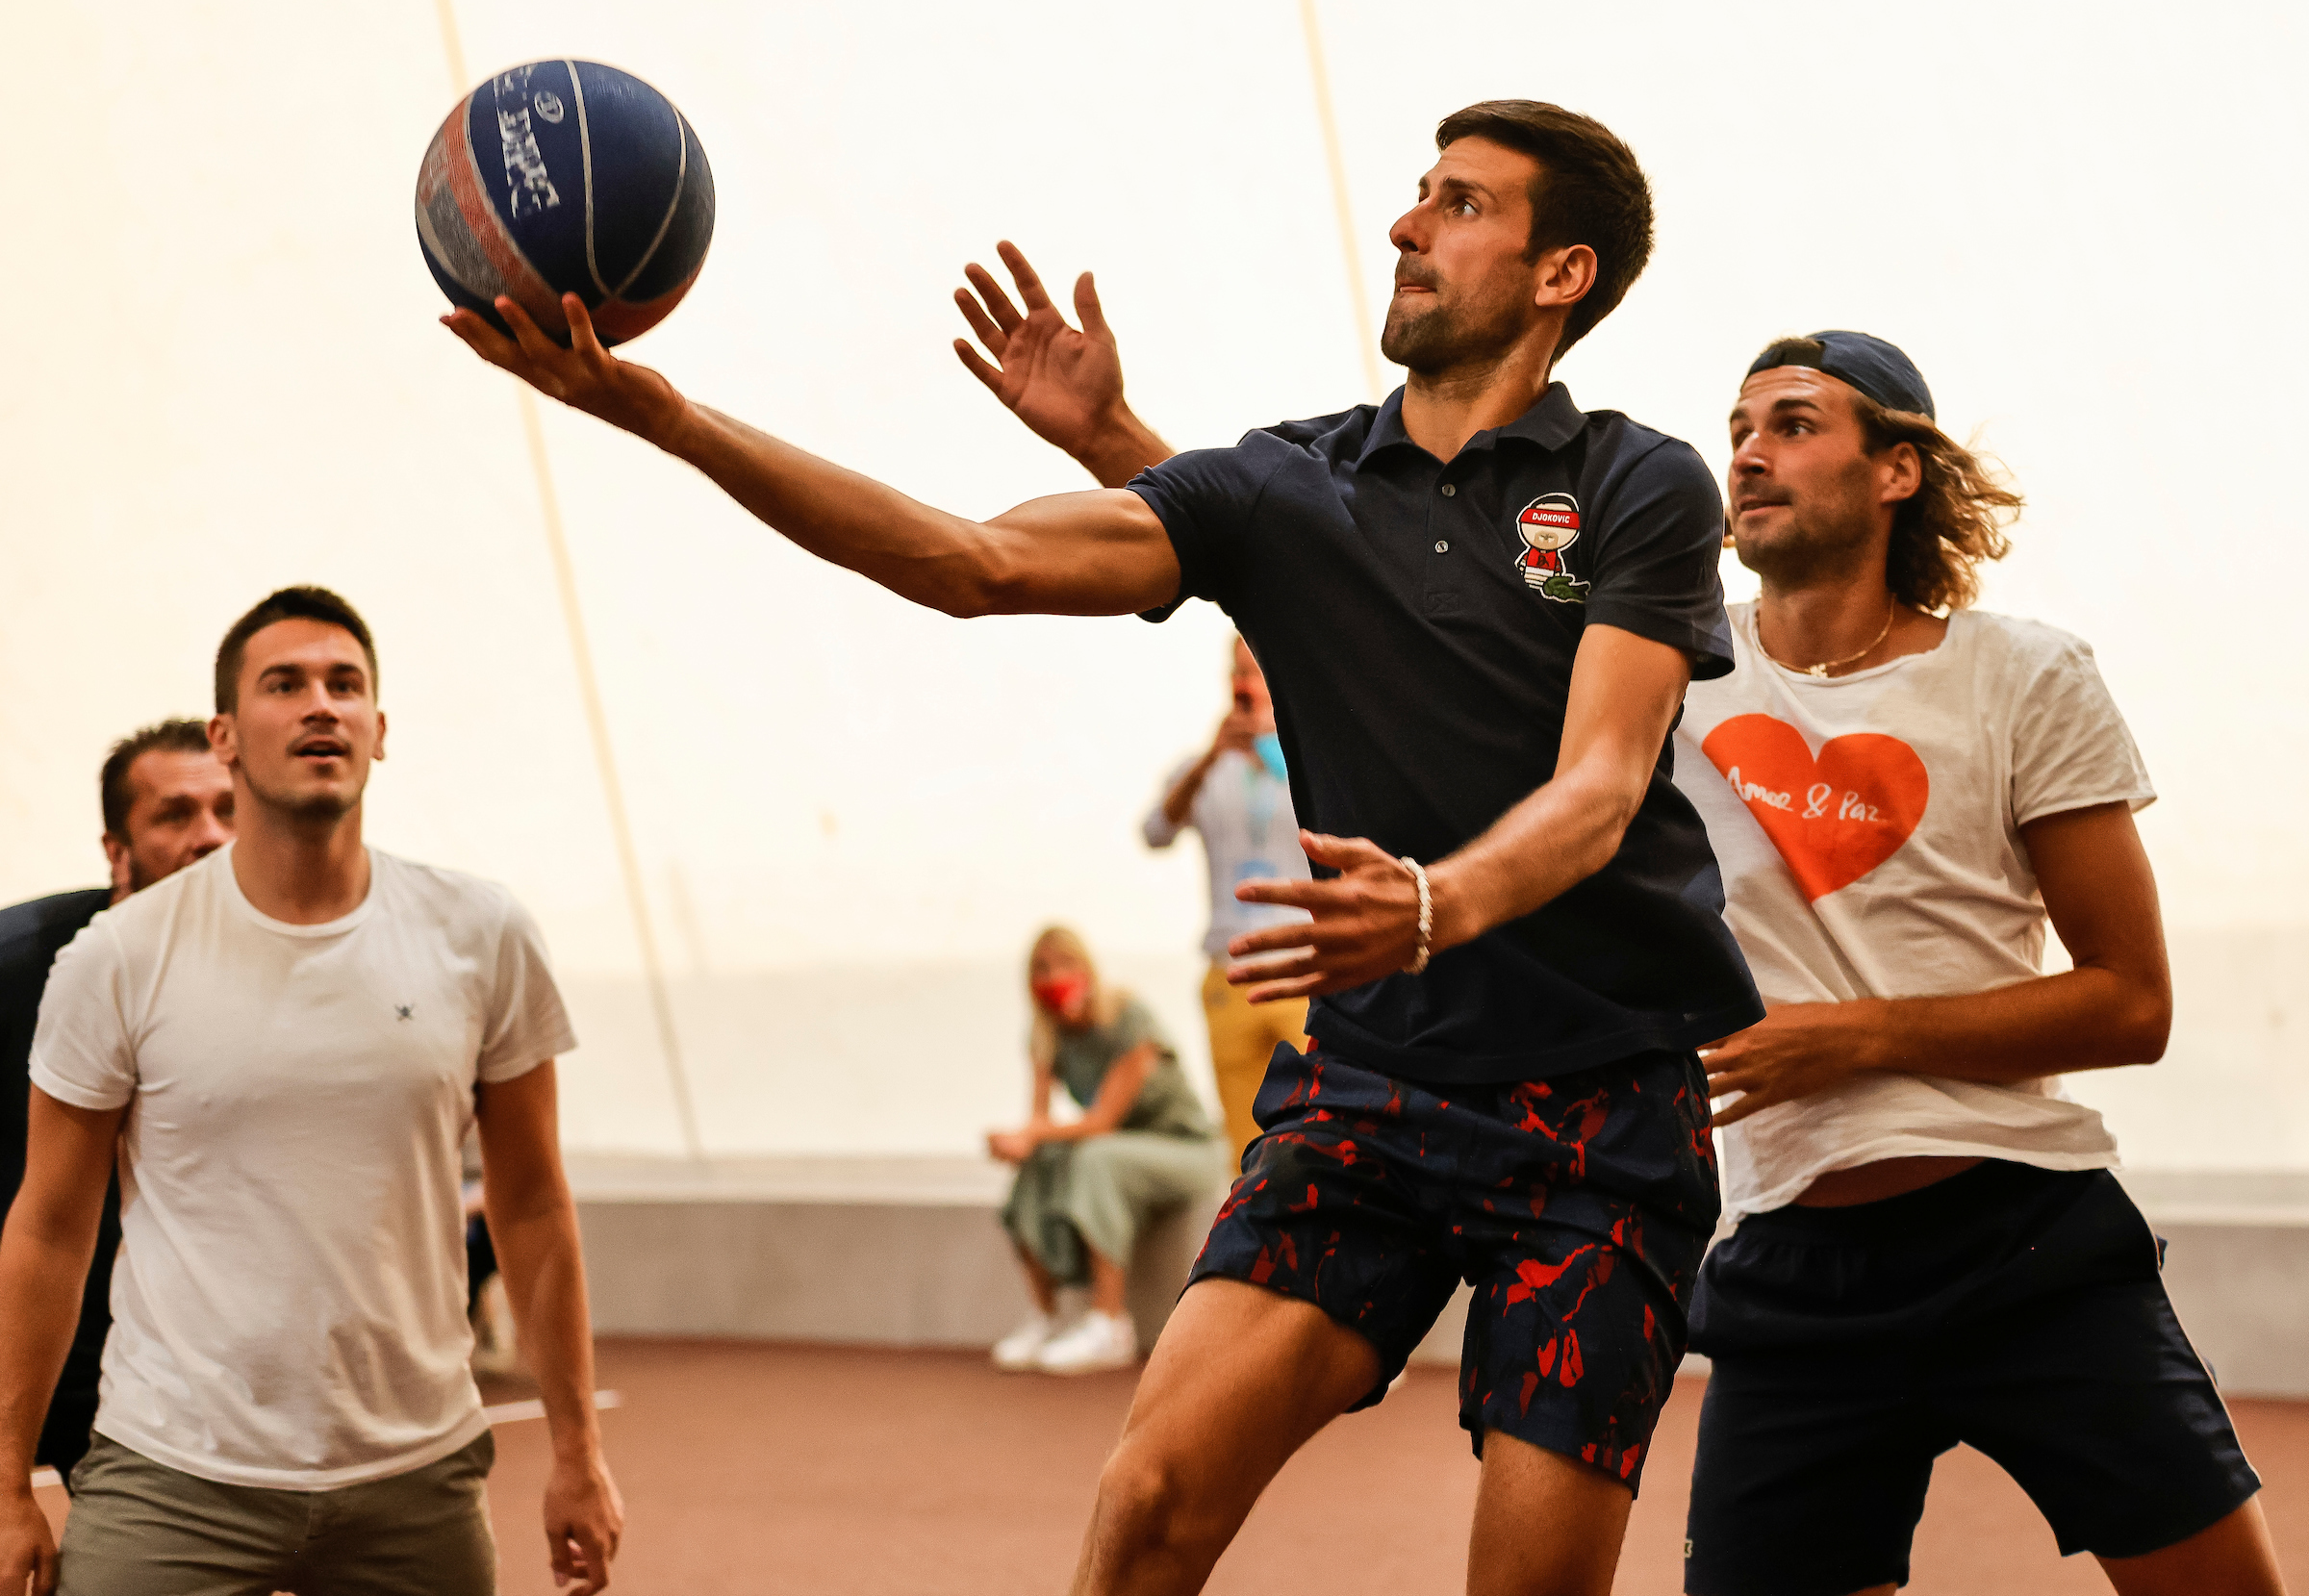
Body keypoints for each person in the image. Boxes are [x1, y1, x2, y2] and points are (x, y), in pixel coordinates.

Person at [447, 97, 1763, 1596]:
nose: (1407, 223)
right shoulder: (1283, 484)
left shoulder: (1638, 482)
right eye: (1417, 192)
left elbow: (1603, 784)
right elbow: (969, 562)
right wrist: (668, 417)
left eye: (1461, 202)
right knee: (1147, 1500)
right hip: (1378, 1095)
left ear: (1561, 273)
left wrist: (1431, 903)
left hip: (1601, 1111)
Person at [1675, 333, 2284, 1596]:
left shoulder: (2023, 675)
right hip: (1790, 1264)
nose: (1748, 453)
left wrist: (1853, 1037)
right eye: (1738, 428)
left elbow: (2133, 1002)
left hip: (2025, 1242)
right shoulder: (1668, 680)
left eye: (1793, 423)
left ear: (1896, 471)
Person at [0, 587, 623, 1596]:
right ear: (227, 736)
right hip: (172, 1471)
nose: (320, 705)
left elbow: (535, 1203)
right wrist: (5, 1484)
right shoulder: (116, 957)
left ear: (380, 729)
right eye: (284, 684)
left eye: (345, 684)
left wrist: (578, 1452)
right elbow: (49, 1226)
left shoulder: (481, 933)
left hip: (416, 1473)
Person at [0, 721, 234, 1488]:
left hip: (159, 1357)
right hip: (31, 1316)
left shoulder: (284, 968)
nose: (210, 836)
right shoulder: (22, 964)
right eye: (176, 815)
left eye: (228, 810)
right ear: (117, 850)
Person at [987, 926, 1225, 1375]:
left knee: (1098, 1156)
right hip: (1123, 1150)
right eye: (1042, 968)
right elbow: (1038, 1120)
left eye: (1065, 963)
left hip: (1186, 1150)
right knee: (1039, 1164)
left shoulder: (1128, 1017)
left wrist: (1031, 1134)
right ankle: (1046, 1316)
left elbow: (1102, 1122)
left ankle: (1111, 1325)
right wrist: (1015, 1145)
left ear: (1087, 967)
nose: (1054, 976)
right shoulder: (1044, 1033)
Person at [1141, 639, 1311, 1163]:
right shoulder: (1204, 766)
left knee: (1317, 1128)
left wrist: (1282, 748)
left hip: (1302, 967)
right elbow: (1156, 831)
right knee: (1245, 1144)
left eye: (1256, 671)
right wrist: (1213, 757)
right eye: (1238, 672)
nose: (1246, 684)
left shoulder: (1309, 757)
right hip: (1231, 970)